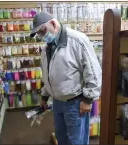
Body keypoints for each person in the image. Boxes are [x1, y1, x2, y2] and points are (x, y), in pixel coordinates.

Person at [30, 12, 102, 145]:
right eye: (39, 33)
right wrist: (44, 97)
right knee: (61, 138)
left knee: (76, 141)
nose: (42, 35)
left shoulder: (77, 40)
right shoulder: (46, 49)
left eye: (42, 31)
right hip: (57, 103)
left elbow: (93, 71)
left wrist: (88, 99)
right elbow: (48, 75)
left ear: (53, 23)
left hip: (75, 103)